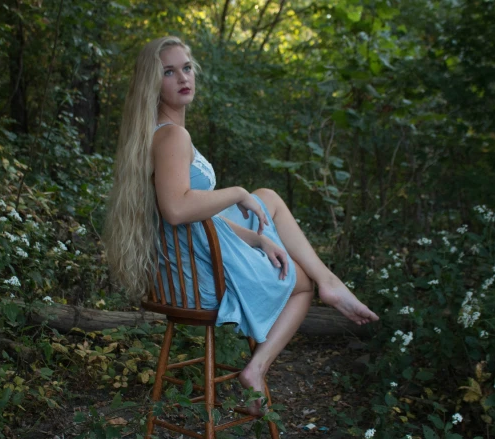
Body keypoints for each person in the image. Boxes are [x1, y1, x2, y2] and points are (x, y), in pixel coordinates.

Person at [104, 36, 379, 415]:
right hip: (196, 281)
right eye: (169, 72)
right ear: (153, 82)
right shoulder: (172, 136)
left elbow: (197, 218)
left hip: (189, 265)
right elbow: (176, 211)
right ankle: (258, 367)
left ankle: (330, 283)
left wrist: (254, 238)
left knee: (267, 197)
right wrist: (235, 192)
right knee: (303, 284)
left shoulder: (159, 133)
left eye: (186, 67)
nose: (183, 77)